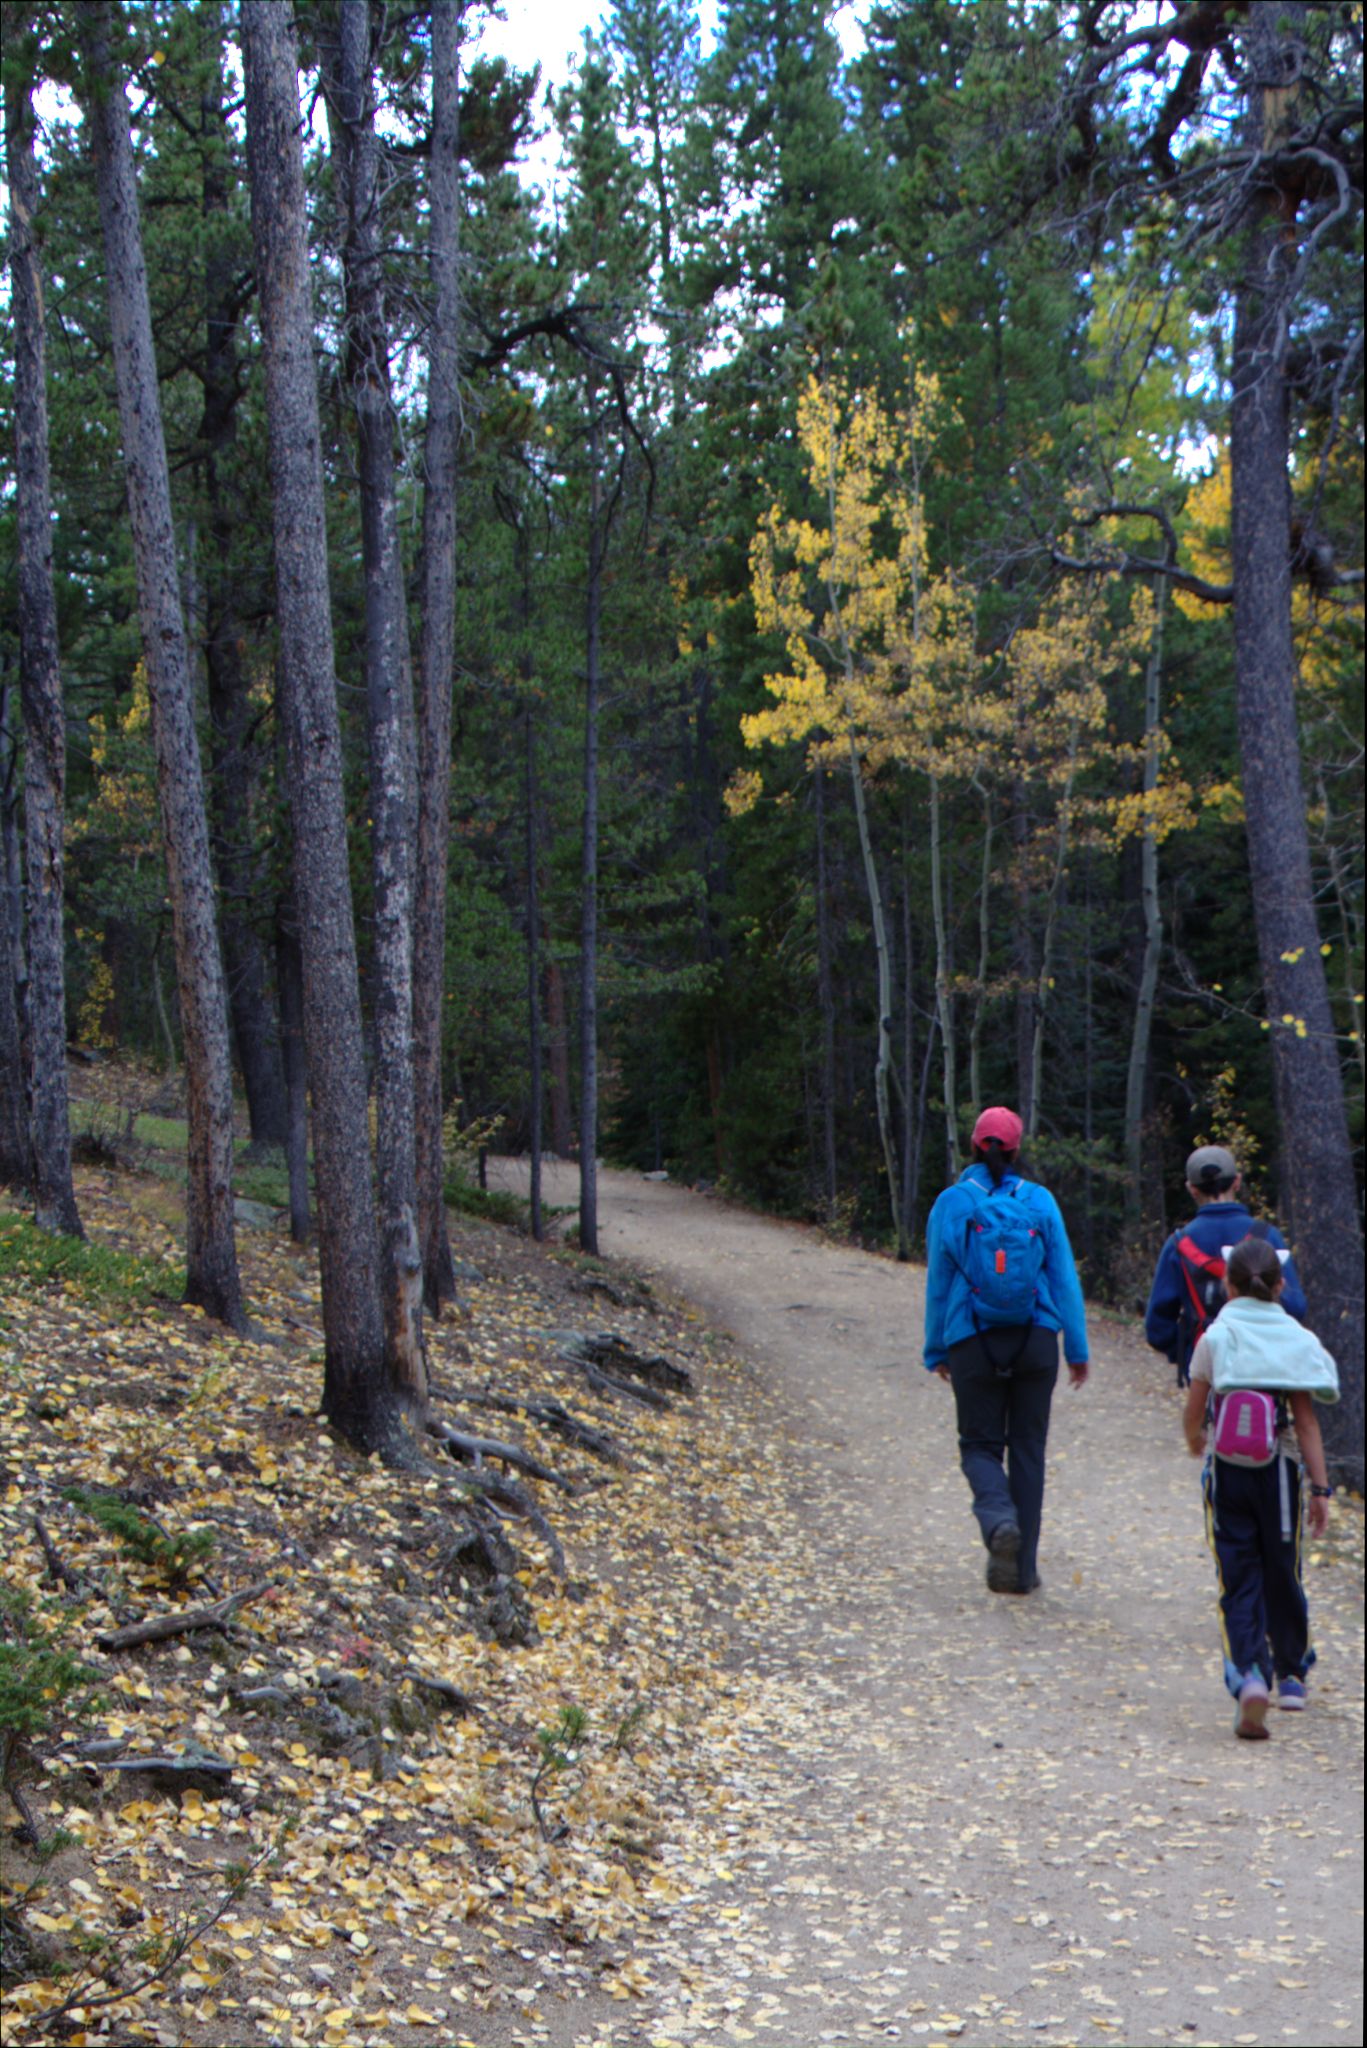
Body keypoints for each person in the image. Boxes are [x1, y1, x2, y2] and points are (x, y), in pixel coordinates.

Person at [923, 1106, 1089, 1596]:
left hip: (971, 1337)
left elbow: (939, 1280)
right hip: (1036, 1338)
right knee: (1029, 1451)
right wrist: (1076, 1348)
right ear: (1017, 1152)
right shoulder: (1039, 1201)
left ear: (973, 1148)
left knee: (979, 1445)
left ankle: (998, 1522)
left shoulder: (952, 1203)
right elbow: (1063, 1277)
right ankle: (1022, 1572)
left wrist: (937, 1350)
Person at [1182, 1234, 1338, 1738]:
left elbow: (1194, 1409)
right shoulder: (1293, 1338)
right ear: (1280, 1285)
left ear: (1228, 1287)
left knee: (1237, 1570)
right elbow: (1308, 1423)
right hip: (1281, 1472)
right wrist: (1320, 1489)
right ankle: (1291, 1675)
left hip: (1228, 1472)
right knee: (1282, 1568)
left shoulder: (1216, 1338)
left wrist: (1195, 1440)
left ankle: (1250, 1673)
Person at [1145, 1144, 1306, 1386]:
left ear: (1192, 1189)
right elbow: (1295, 1307)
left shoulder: (1179, 1244)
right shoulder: (1267, 1236)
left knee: (1208, 1423)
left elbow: (1157, 1328)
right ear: (1237, 1182)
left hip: (1207, 1370)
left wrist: (1189, 1353)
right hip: (1266, 1367)